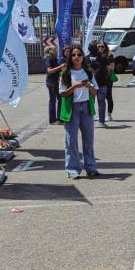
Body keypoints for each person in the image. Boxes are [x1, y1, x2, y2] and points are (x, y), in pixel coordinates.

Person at [57, 45, 99, 179]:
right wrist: (75, 86)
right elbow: (62, 93)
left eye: (79, 55)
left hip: (86, 107)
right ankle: (73, 169)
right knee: (71, 141)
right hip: (72, 109)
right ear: (70, 57)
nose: (76, 57)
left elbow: (95, 92)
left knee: (89, 140)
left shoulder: (88, 72)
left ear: (83, 57)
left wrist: (88, 86)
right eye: (73, 55)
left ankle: (91, 167)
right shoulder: (65, 73)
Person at [93, 42, 114, 128]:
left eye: (102, 46)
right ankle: (100, 117)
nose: (100, 47)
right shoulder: (94, 56)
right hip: (97, 80)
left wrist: (104, 69)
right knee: (97, 100)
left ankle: (109, 115)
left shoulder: (109, 55)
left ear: (105, 47)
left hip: (107, 79)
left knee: (108, 97)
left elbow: (112, 67)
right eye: (99, 46)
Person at [45, 46, 64, 124]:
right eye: (55, 49)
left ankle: (60, 118)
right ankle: (52, 120)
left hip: (56, 82)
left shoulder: (55, 59)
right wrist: (60, 66)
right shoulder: (49, 59)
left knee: (60, 99)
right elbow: (49, 71)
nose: (57, 51)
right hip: (51, 82)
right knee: (53, 100)